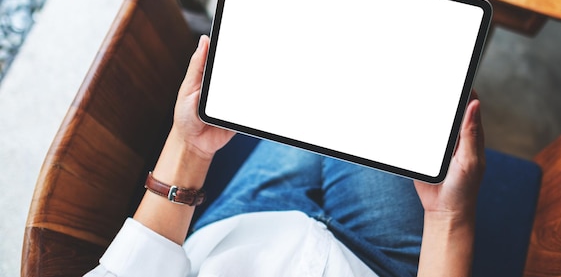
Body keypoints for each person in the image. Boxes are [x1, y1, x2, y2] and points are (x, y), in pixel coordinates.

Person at [85, 35, 485, 277]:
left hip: (240, 234)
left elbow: (132, 270)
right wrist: (449, 218)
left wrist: (189, 146)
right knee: (389, 77)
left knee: (319, 80)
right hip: (377, 264)